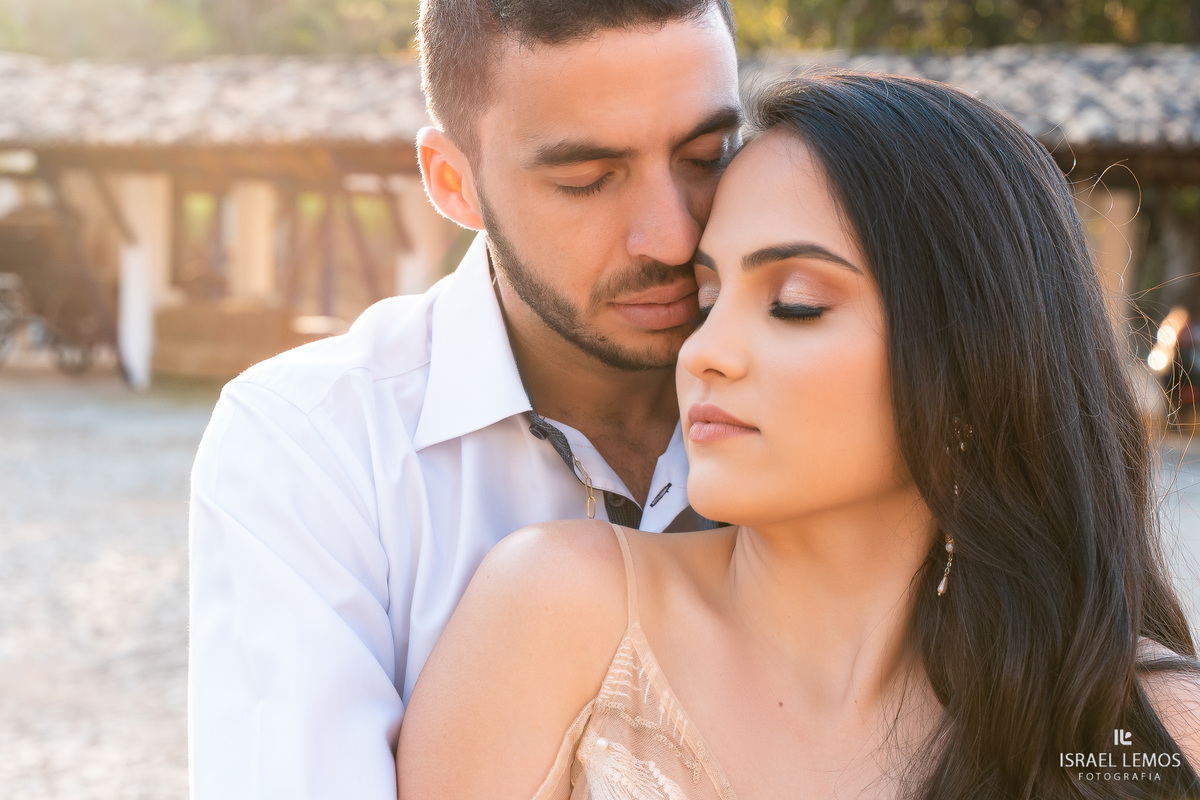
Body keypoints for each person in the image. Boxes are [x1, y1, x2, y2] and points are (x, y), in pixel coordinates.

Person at [396, 72, 1200, 799]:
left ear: (977, 360)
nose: (704, 351)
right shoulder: (558, 614)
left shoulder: (1139, 729)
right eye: (707, 298)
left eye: (796, 303)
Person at [187, 1, 740, 797]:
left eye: (706, 155)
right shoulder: (314, 448)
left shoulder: (855, 397)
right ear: (455, 183)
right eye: (587, 181)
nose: (674, 236)